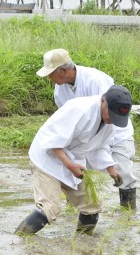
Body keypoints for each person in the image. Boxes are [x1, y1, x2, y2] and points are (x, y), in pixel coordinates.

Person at [15, 85, 132, 235]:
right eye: (111, 114)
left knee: (92, 204)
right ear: (103, 101)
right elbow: (53, 141)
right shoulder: (79, 109)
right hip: (48, 159)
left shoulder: (109, 122)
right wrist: (70, 165)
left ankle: (83, 243)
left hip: (74, 162)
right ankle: (19, 239)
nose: (112, 120)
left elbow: (100, 147)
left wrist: (111, 169)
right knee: (49, 208)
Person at [36, 48, 137, 210]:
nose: (49, 78)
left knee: (122, 172)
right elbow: (65, 124)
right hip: (87, 136)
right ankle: (78, 207)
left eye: (50, 73)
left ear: (62, 70)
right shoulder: (59, 90)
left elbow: (111, 113)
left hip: (116, 132)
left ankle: (128, 214)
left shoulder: (95, 80)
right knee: (77, 172)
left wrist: (109, 164)